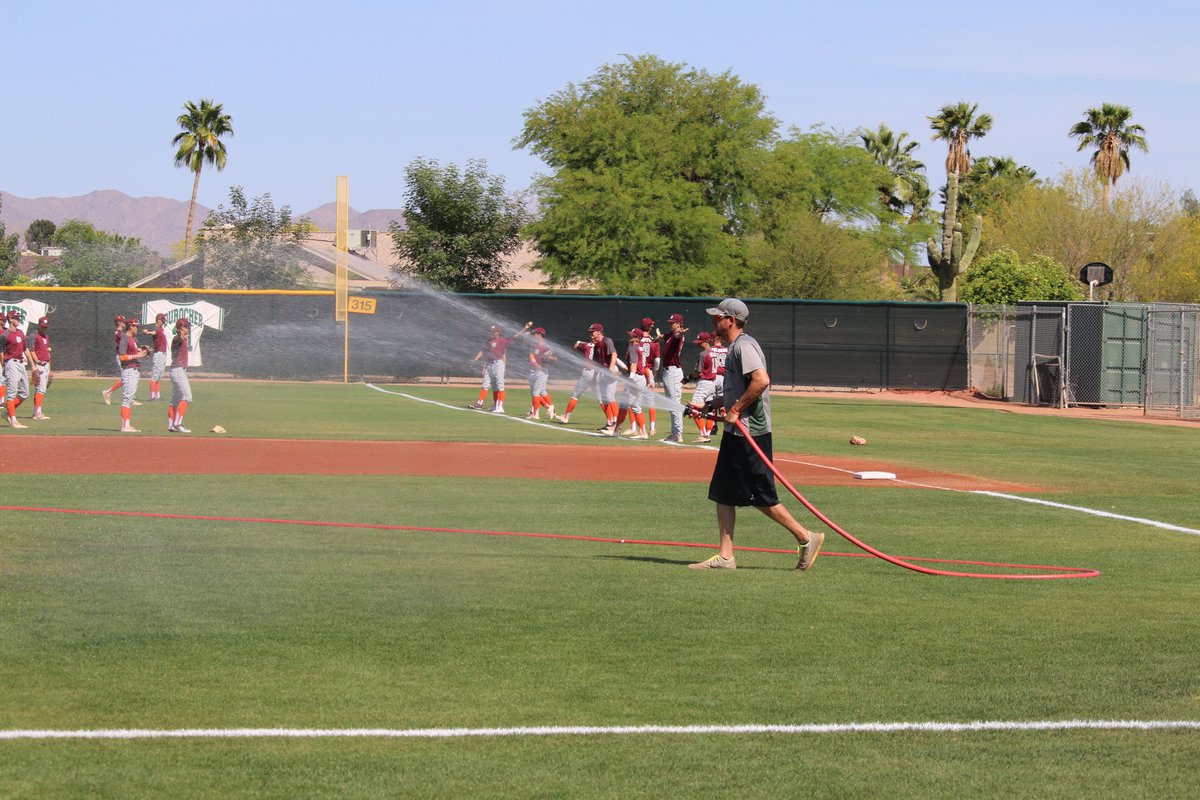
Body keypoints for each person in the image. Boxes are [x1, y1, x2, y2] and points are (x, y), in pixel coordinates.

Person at [689, 298, 824, 572]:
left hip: (751, 434)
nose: (715, 321)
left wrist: (736, 409)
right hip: (735, 432)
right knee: (723, 492)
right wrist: (713, 405)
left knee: (761, 496)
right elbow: (740, 386)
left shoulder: (744, 345)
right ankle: (726, 557)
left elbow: (761, 380)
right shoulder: (733, 348)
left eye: (719, 317)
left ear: (732, 320)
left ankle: (806, 537)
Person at [469, 322, 532, 413]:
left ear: (498, 332)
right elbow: (483, 352)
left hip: (499, 364)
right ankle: (493, 405)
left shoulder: (503, 340)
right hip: (490, 365)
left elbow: (515, 336)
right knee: (491, 386)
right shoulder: (489, 341)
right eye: (491, 331)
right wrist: (475, 361)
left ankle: (500, 407)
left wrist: (524, 329)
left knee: (500, 385)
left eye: (493, 331)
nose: (492, 332)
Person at [656, 313, 687, 443]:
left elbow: (678, 335)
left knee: (674, 403)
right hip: (668, 372)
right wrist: (658, 337)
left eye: (673, 322)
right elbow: (662, 337)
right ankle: (674, 433)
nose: (670, 324)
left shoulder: (676, 335)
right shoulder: (670, 334)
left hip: (674, 372)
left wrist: (680, 332)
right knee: (671, 403)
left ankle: (678, 434)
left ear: (679, 324)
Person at [613, 328, 649, 438]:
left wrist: (631, 378)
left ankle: (615, 431)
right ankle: (643, 432)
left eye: (632, 335)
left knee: (624, 405)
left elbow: (633, 365)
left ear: (637, 338)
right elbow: (641, 365)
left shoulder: (634, 348)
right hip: (641, 378)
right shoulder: (641, 348)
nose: (630, 337)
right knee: (636, 406)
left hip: (635, 378)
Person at [585, 323, 620, 434]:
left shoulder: (607, 340)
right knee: (604, 398)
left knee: (610, 397)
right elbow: (597, 363)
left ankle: (616, 423)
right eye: (590, 332)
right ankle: (609, 422)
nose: (591, 333)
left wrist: (610, 369)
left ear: (599, 331)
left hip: (610, 370)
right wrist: (595, 376)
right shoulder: (596, 345)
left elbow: (614, 354)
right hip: (602, 372)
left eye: (593, 331)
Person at [117, 317, 150, 432]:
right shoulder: (125, 339)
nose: (137, 328)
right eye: (136, 326)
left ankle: (127, 425)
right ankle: (125, 426)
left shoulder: (133, 339)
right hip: (129, 370)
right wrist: (138, 355)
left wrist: (144, 353)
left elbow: (135, 354)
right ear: (131, 326)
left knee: (129, 398)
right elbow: (122, 357)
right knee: (127, 399)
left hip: (134, 370)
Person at [557, 334, 599, 424]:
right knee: (601, 398)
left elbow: (576, 346)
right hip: (597, 373)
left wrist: (580, 342)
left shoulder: (587, 345)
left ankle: (566, 417)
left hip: (588, 371)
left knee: (575, 395)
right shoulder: (601, 347)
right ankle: (612, 420)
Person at [0, 311, 30, 428]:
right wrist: (4, 366)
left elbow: (25, 349)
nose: (19, 319)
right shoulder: (4, 335)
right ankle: (13, 420)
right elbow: (1, 353)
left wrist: (33, 366)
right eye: (16, 317)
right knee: (12, 393)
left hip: (21, 363)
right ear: (10, 319)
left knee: (25, 393)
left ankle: (6, 413)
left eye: (19, 317)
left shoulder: (21, 333)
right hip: (11, 362)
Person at [525, 327, 558, 420]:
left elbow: (555, 358)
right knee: (540, 391)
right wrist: (535, 363)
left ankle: (536, 414)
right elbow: (531, 355)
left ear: (539, 334)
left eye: (535, 334)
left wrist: (547, 357)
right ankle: (549, 407)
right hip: (533, 370)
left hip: (542, 371)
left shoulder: (547, 346)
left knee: (536, 392)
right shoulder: (533, 345)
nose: (533, 336)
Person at [167, 317, 193, 432]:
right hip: (178, 370)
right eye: (187, 326)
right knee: (187, 396)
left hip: (176, 369)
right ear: (182, 328)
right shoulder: (178, 338)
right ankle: (178, 423)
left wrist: (183, 336)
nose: (189, 328)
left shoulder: (181, 338)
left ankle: (171, 426)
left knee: (175, 400)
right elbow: (178, 339)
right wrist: (181, 334)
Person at [27, 316, 52, 420]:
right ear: (39, 325)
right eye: (43, 326)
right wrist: (36, 362)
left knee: (41, 389)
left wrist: (50, 369)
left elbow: (48, 352)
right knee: (40, 389)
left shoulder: (46, 337)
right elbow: (31, 350)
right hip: (39, 365)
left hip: (45, 364)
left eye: (46, 326)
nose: (44, 328)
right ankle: (38, 413)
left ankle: (36, 412)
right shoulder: (34, 336)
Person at [147, 312, 170, 401]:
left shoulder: (160, 329)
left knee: (159, 376)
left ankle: (158, 396)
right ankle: (152, 396)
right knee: (155, 375)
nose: (163, 322)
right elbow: (153, 332)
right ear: (158, 320)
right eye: (162, 320)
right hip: (159, 354)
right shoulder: (156, 328)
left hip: (163, 354)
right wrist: (148, 332)